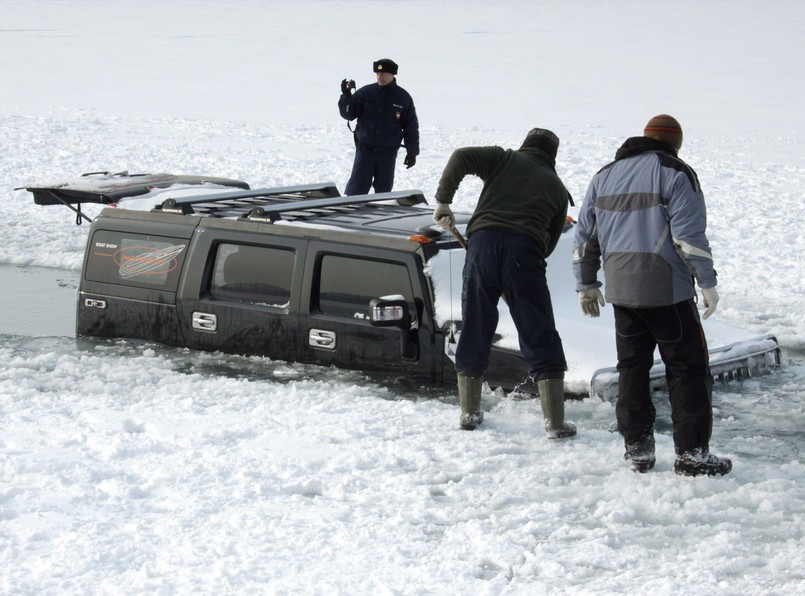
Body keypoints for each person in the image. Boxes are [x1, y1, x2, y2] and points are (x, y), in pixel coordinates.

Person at [572, 114, 732, 477]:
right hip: (667, 292)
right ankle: (691, 455)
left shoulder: (604, 176)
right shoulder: (675, 172)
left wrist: (586, 285)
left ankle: (638, 452)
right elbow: (689, 237)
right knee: (687, 370)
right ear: (674, 141)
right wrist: (707, 283)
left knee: (631, 370)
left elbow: (585, 237)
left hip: (622, 293)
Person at [432, 128, 576, 438]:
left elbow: (461, 156)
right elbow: (548, 245)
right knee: (539, 331)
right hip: (525, 254)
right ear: (552, 156)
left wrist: (444, 202)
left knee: (475, 325)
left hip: (482, 246)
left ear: (525, 146)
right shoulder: (557, 188)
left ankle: (469, 413)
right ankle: (555, 423)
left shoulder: (503, 159)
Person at [338, 58, 420, 195]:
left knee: (383, 190)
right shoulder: (366, 92)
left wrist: (412, 152)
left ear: (393, 75)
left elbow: (411, 126)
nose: (380, 77)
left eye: (384, 74)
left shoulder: (403, 97)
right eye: (378, 74)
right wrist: (346, 97)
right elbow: (348, 115)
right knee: (357, 186)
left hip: (388, 151)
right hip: (365, 148)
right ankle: (353, 210)